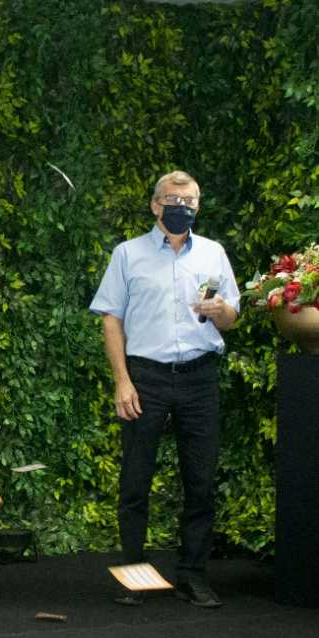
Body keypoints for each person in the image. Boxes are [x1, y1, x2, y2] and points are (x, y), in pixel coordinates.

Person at [90, 170, 239, 608]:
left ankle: (192, 576)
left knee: (201, 481)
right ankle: (133, 575)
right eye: (174, 200)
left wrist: (220, 310)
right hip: (146, 377)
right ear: (156, 204)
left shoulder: (213, 253)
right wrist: (122, 381)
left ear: (198, 205)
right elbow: (111, 319)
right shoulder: (128, 254)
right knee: (135, 481)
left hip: (199, 377)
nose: (182, 208)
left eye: (189, 201)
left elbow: (232, 317)